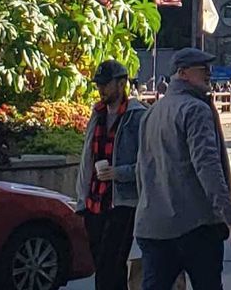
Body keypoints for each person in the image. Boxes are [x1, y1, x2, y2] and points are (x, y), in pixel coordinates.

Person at [134, 48, 231, 290]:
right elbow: (207, 166)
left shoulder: (151, 113)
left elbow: (141, 170)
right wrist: (230, 217)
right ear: (183, 73)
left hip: (153, 225)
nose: (209, 73)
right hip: (195, 226)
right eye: (202, 69)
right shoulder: (195, 109)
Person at [77, 59, 148, 290]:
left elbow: (147, 164)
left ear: (121, 84)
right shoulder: (97, 115)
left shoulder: (137, 117)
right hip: (94, 202)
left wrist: (118, 173)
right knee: (103, 265)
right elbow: (87, 159)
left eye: (106, 85)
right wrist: (82, 200)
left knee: (111, 264)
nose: (101, 90)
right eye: (99, 85)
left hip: (123, 202)